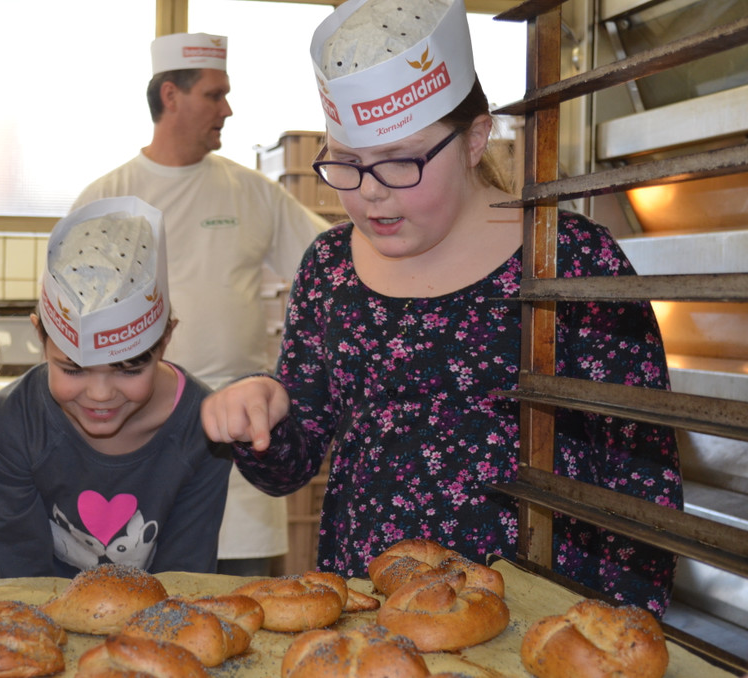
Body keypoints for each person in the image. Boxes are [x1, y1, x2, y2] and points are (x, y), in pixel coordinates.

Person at [200, 0, 683, 614]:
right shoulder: (329, 266)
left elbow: (642, 475)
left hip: (538, 616)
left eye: (400, 162)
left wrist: (624, 624)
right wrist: (257, 418)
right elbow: (291, 468)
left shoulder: (568, 260)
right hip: (369, 612)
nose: (370, 194)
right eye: (346, 164)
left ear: (475, 138)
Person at [72, 32, 329, 577]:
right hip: (138, 430)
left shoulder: (252, 192)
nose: (227, 109)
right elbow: (70, 322)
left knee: (247, 593)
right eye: (215, 95)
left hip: (242, 427)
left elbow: (330, 264)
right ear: (171, 95)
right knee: (140, 591)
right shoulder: (107, 199)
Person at [0, 197, 232, 579]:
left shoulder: (204, 427)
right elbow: (23, 577)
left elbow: (184, 577)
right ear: (40, 337)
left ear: (165, 340)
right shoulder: (10, 426)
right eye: (72, 370)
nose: (100, 394)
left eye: (129, 369)